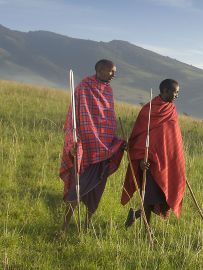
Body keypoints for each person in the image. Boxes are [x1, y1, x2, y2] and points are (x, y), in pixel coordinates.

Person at [59, 59, 126, 232]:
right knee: (77, 188)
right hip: (86, 147)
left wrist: (116, 143)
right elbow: (74, 116)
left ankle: (87, 223)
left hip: (105, 148)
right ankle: (65, 226)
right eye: (111, 71)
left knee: (97, 188)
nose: (114, 74)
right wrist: (73, 141)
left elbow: (108, 119)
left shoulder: (108, 91)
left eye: (114, 71)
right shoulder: (84, 87)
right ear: (99, 69)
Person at [121, 78, 186, 228]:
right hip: (148, 162)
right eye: (175, 92)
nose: (176, 96)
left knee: (159, 197)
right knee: (148, 196)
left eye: (178, 93)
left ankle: (136, 214)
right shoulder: (148, 110)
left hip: (165, 161)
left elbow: (172, 138)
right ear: (165, 91)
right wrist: (142, 158)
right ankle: (147, 230)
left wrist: (175, 159)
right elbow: (139, 136)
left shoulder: (172, 110)